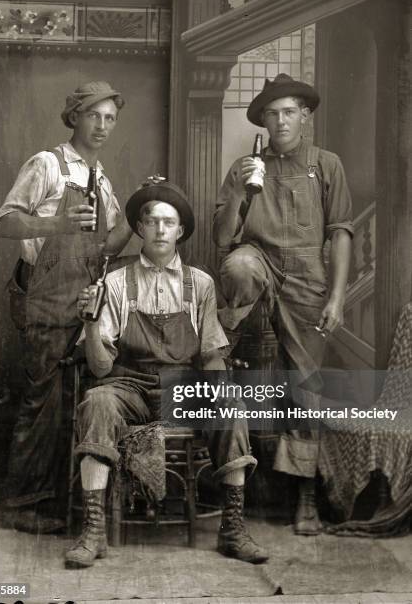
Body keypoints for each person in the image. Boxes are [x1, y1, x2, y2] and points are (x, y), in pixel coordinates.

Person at [65, 179, 267, 568]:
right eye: (152, 221)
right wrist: (90, 324)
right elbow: (100, 367)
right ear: (139, 229)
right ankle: (93, 532)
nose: (160, 229)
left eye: (168, 222)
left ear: (181, 231)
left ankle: (232, 529)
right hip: (128, 386)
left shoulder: (201, 283)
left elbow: (209, 353)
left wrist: (219, 390)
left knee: (231, 404)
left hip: (182, 388)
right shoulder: (115, 282)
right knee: (96, 401)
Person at [213, 73, 353, 535]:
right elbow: (222, 239)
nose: (281, 121)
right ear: (264, 121)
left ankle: (306, 496)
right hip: (259, 260)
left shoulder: (327, 165)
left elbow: (340, 232)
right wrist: (240, 191)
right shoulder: (245, 166)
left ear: (305, 116)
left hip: (309, 275)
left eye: (289, 111)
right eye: (272, 114)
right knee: (238, 268)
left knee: (306, 385)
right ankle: (222, 338)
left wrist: (335, 295)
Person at [0, 81, 132, 533]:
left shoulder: (102, 179)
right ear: (74, 116)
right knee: (42, 404)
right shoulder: (47, 165)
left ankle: (64, 507)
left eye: (110, 118)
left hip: (84, 305)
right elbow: (4, 221)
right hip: (46, 300)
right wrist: (56, 222)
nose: (102, 126)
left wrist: (136, 213)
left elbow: (106, 246)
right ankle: (23, 506)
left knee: (75, 404)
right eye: (94, 115)